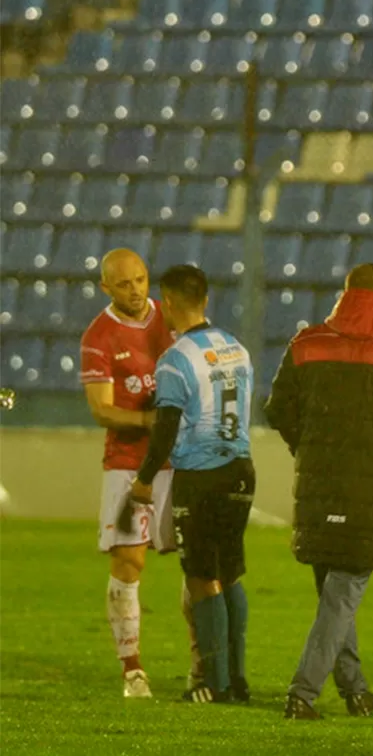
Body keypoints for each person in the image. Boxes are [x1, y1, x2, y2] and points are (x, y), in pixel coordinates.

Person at [266, 264, 373, 720]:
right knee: (343, 589)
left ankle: (356, 689)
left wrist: (309, 448)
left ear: (345, 294)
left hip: (317, 483)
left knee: (334, 588)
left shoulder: (306, 345)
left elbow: (278, 409)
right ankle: (303, 693)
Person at [125, 265, 257, 704]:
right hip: (241, 468)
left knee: (202, 578)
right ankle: (237, 680)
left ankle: (215, 684)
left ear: (171, 302)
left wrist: (143, 479)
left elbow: (165, 426)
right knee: (231, 574)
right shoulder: (236, 347)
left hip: (201, 475)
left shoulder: (176, 359)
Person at [80, 248, 199, 698]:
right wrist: (156, 421)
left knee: (199, 564)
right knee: (129, 561)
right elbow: (102, 410)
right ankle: (132, 669)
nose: (135, 290)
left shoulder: (171, 318)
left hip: (183, 460)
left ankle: (201, 666)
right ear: (106, 287)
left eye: (141, 279)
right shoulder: (99, 336)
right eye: (124, 284)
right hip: (129, 465)